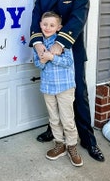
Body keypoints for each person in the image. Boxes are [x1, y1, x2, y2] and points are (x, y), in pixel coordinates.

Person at [29, 0, 105, 162]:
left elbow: (78, 18)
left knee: (78, 95)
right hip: (46, 51)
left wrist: (59, 44)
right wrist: (38, 45)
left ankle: (88, 140)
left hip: (70, 50)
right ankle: (55, 134)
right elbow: (36, 19)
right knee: (53, 95)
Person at [33, 11, 83, 167]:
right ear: (40, 24)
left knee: (67, 119)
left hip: (65, 87)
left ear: (59, 27)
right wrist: (42, 59)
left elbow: (68, 62)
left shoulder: (62, 42)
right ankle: (59, 144)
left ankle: (72, 146)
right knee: (54, 119)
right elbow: (37, 64)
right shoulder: (38, 44)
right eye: (45, 24)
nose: (48, 27)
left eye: (52, 25)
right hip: (48, 87)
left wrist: (52, 57)